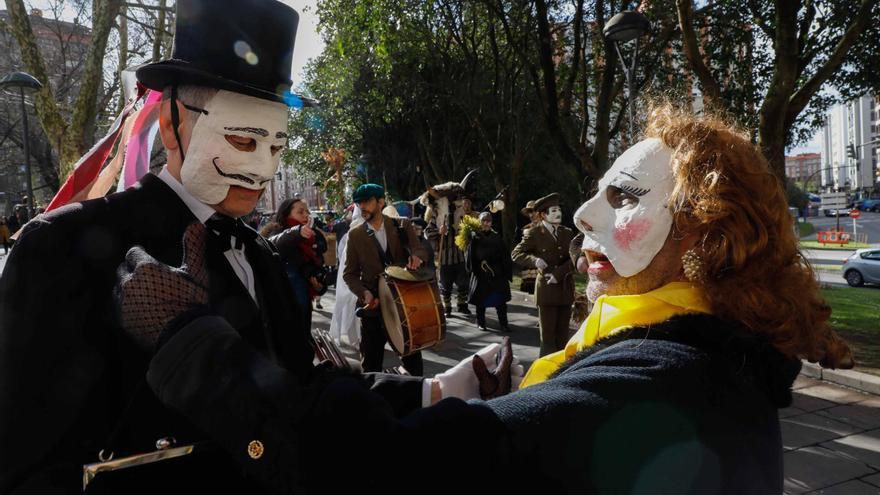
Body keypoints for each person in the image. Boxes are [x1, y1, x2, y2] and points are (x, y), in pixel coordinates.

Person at [124, 102, 855, 494]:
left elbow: (381, 469)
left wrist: (193, 347)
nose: (583, 217)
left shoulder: (652, 383)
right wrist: (468, 389)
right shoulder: (713, 357)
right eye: (594, 192)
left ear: (708, 235)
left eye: (624, 197)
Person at [0, 2, 376, 493]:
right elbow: (25, 463)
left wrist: (430, 393)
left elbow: (297, 397)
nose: (263, 169)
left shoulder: (258, 255)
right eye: (243, 139)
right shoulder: (61, 249)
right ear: (174, 122)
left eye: (278, 148)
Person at [342, 184, 428, 375]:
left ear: (380, 202)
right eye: (359, 203)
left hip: (404, 305)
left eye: (366, 201)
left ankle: (417, 399)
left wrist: (417, 257)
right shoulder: (355, 235)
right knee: (371, 364)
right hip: (373, 306)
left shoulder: (402, 224)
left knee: (412, 360)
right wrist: (364, 293)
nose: (361, 206)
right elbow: (349, 273)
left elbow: (419, 249)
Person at [512, 193, 576, 356]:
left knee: (563, 337)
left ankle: (563, 371)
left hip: (565, 289)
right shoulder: (534, 233)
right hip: (547, 291)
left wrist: (559, 274)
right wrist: (534, 260)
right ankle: (546, 373)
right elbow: (516, 254)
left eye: (559, 210)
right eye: (553, 211)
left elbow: (575, 257)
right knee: (547, 339)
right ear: (542, 215)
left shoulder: (567, 233)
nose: (558, 214)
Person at [260, 198, 328, 328]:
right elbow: (273, 244)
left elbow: (316, 266)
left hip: (304, 301)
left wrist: (320, 285)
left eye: (306, 211)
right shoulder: (277, 230)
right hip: (283, 302)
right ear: (287, 214)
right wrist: (296, 232)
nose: (305, 215)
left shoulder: (313, 235)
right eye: (300, 212)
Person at [425, 197, 473, 316]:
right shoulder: (437, 216)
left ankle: (462, 305)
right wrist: (438, 231)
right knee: (445, 285)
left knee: (463, 283)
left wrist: (467, 232)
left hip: (460, 256)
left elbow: (470, 231)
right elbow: (427, 232)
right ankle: (447, 307)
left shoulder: (461, 215)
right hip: (445, 258)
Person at [466, 212, 512, 332]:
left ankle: (504, 324)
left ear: (491, 223)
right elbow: (469, 256)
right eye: (483, 221)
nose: (486, 223)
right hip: (481, 274)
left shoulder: (497, 237)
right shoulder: (474, 237)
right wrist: (474, 269)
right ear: (479, 222)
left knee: (501, 302)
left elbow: (505, 255)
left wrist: (505, 271)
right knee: (480, 301)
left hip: (496, 274)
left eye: (488, 221)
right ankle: (481, 323)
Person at [328, 206, 363, 347]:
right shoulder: (354, 233)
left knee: (354, 308)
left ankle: (357, 338)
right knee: (353, 308)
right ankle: (357, 339)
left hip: (353, 279)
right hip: (353, 278)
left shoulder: (351, 233)